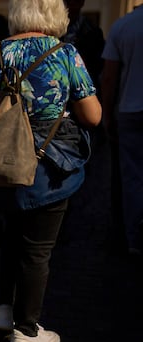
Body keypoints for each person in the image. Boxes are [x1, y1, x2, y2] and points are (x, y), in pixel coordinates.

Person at [0, 0, 101, 342]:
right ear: (57, 15)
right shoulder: (66, 54)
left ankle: (4, 312)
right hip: (46, 167)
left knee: (11, 239)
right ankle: (27, 332)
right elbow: (93, 116)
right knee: (37, 250)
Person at [101, 4, 143, 257]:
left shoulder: (123, 26)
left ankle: (134, 239)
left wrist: (107, 116)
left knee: (132, 177)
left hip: (130, 109)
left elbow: (109, 77)